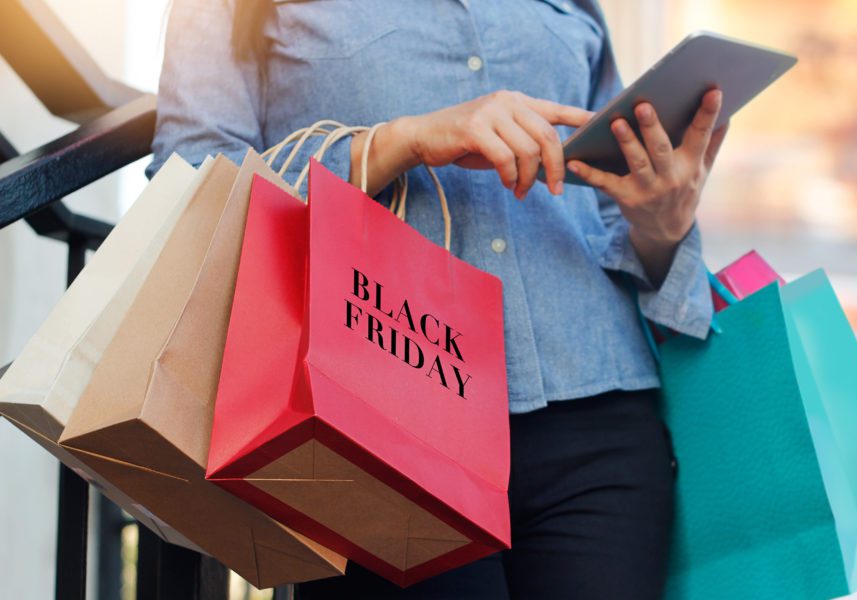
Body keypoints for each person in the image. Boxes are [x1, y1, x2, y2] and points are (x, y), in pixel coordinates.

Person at [150, 1, 727, 598]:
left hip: (598, 415)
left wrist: (664, 220)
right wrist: (405, 141)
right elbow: (193, 187)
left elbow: (610, 216)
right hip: (380, 425)